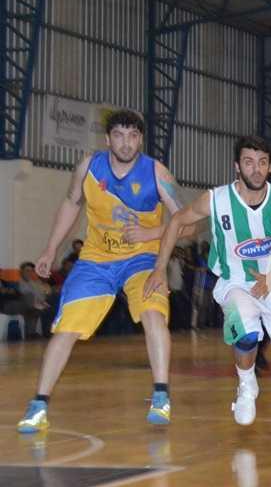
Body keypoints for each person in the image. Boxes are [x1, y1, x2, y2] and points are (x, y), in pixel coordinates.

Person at [144, 135, 271, 430]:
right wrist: (159, 268)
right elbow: (177, 221)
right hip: (234, 283)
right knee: (245, 331)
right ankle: (246, 386)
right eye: (249, 162)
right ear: (237, 166)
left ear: (270, 167)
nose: (256, 169)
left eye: (262, 162)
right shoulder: (216, 199)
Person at [16, 109, 187, 433]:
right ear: (108, 139)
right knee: (66, 328)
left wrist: (150, 233)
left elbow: (188, 223)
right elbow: (71, 203)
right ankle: (39, 404)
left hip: (143, 259)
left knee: (152, 315)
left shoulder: (157, 173)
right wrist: (51, 248)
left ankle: (161, 395)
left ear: (140, 139)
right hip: (96, 260)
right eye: (119, 136)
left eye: (133, 136)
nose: (126, 143)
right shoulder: (89, 166)